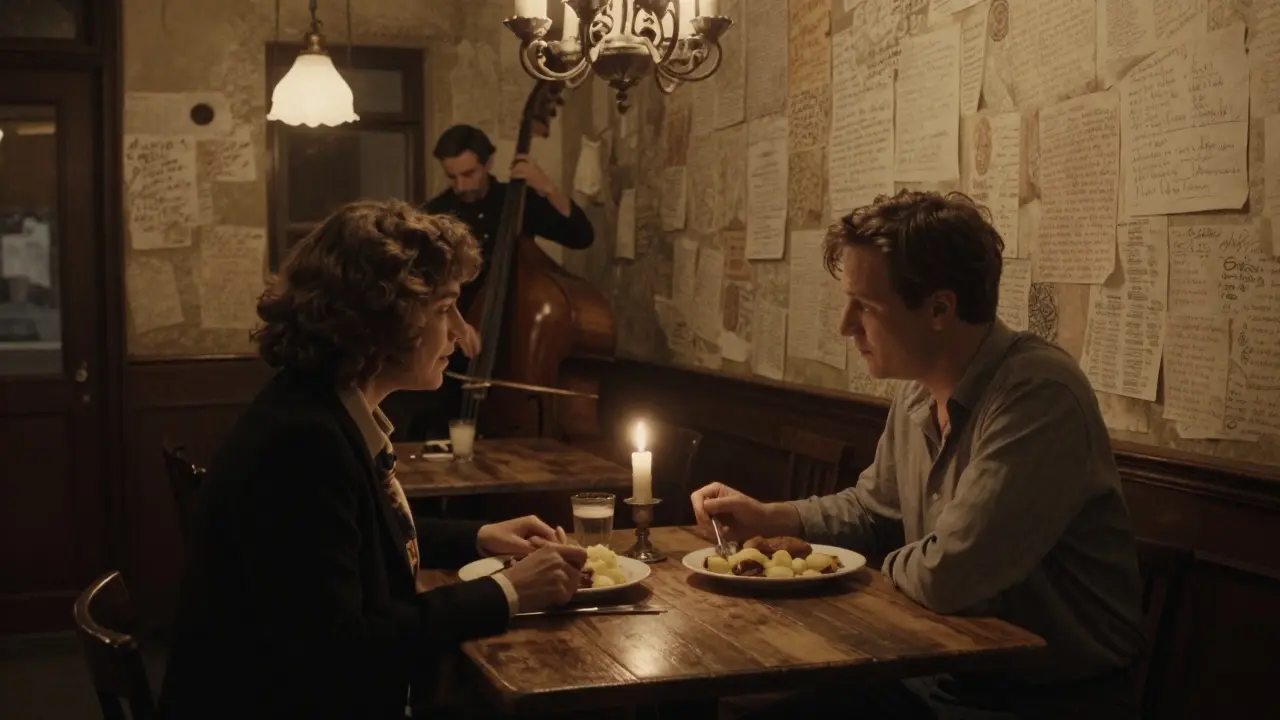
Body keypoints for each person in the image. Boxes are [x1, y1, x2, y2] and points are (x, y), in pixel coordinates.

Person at [690, 191, 1145, 719]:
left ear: (938, 309)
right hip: (934, 677)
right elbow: (872, 510)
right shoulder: (917, 390)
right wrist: (773, 517)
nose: (845, 325)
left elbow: (951, 573)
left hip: (1045, 701)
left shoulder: (1039, 394)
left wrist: (868, 566)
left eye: (865, 305)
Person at [159, 201, 587, 720]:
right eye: (444, 308)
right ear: (387, 318)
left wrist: (479, 536)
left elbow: (347, 538)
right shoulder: (301, 444)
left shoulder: (316, 408)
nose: (458, 331)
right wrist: (506, 591)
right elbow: (342, 652)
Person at [381, 124, 595, 441]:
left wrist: (546, 186)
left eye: (469, 174)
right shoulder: (437, 212)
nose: (461, 185)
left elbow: (580, 235)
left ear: (489, 163)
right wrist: (458, 324)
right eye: (452, 177)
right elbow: (418, 284)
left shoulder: (516, 200)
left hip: (514, 341)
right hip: (453, 342)